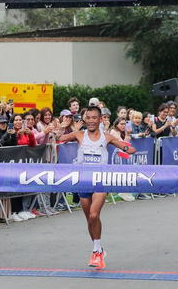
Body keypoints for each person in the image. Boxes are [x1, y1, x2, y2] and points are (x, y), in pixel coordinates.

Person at [58, 106, 137, 270]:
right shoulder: (79, 134)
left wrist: (126, 147)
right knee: (90, 220)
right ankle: (98, 248)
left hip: (101, 181)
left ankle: (96, 252)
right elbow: (60, 138)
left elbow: (129, 149)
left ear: (100, 119)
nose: (92, 120)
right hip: (83, 181)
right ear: (85, 119)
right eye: (89, 117)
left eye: (95, 117)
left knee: (94, 215)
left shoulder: (107, 137)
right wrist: (60, 128)